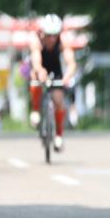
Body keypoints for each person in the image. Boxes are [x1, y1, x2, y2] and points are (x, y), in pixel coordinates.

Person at [29, 14, 77, 151]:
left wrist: (67, 76)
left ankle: (59, 136)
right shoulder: (36, 39)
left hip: (55, 69)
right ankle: (36, 110)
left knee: (59, 101)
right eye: (49, 35)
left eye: (55, 35)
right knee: (35, 78)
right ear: (43, 32)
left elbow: (71, 63)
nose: (52, 39)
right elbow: (36, 61)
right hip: (39, 66)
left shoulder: (63, 40)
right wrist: (40, 70)